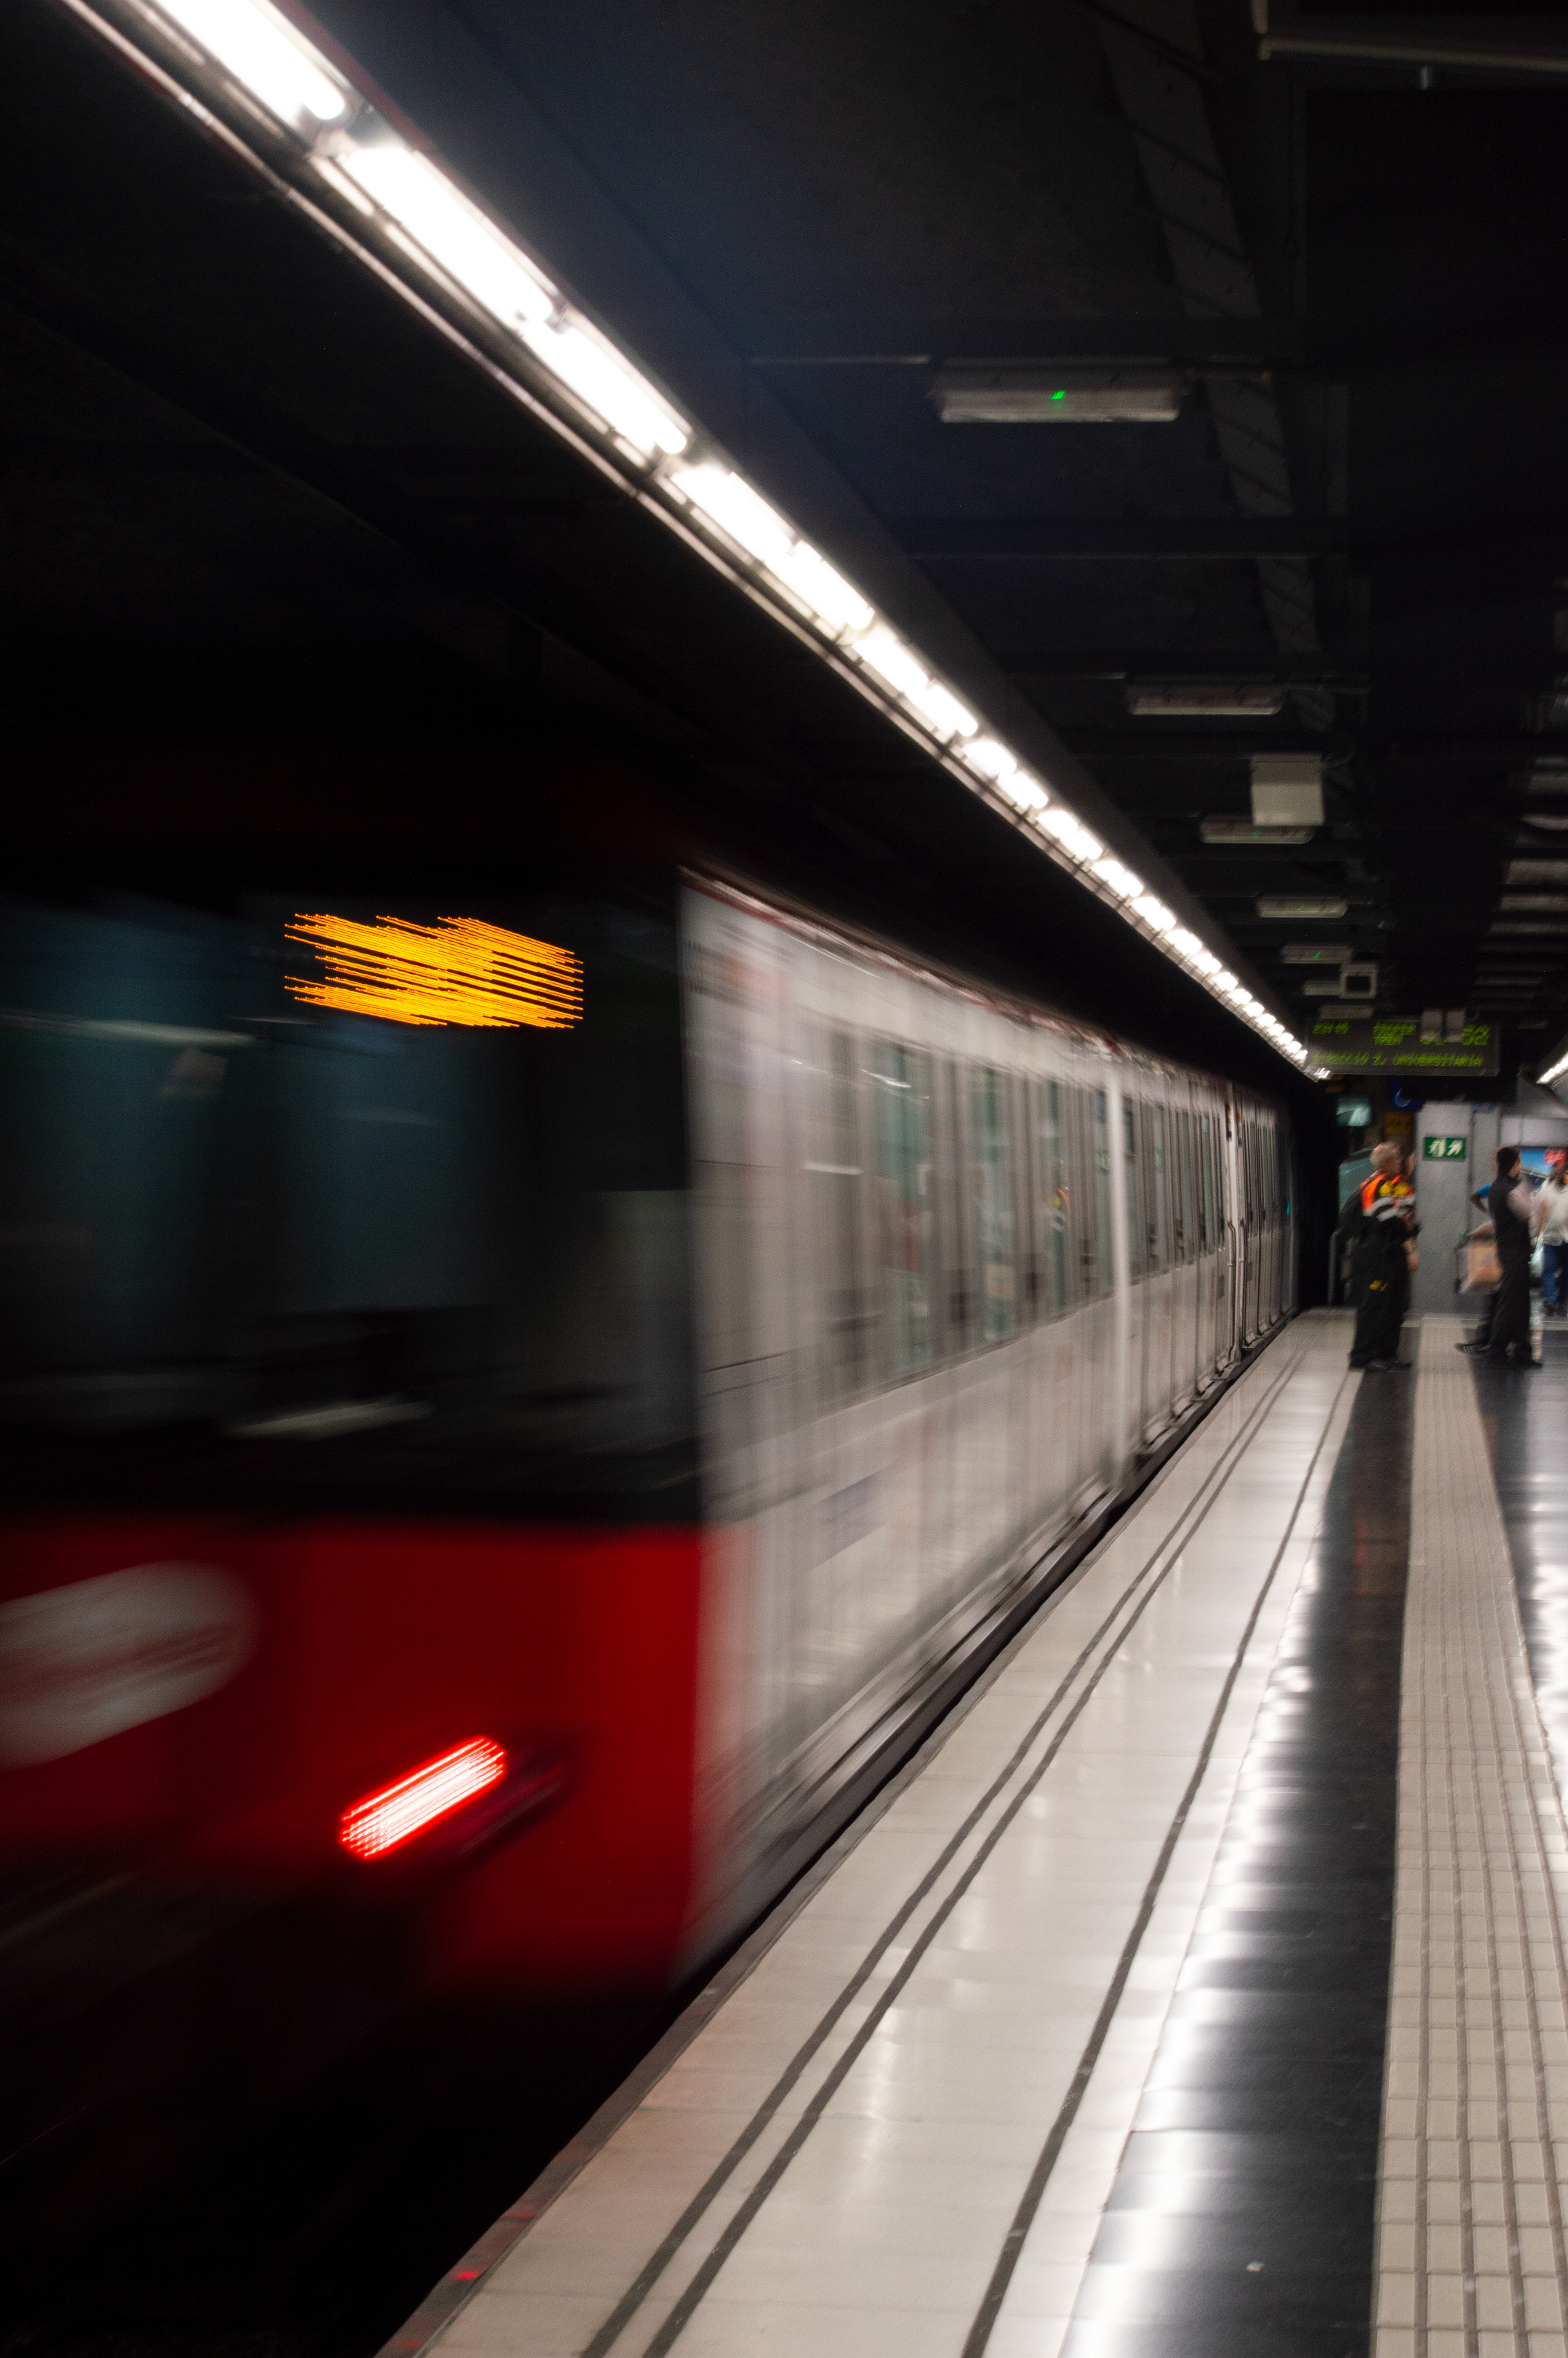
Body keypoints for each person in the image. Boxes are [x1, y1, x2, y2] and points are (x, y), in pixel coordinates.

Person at [1337, 1138, 1419, 1371]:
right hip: (1375, 1254)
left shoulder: (1390, 1184)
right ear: (1390, 1162)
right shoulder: (1379, 1185)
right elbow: (1391, 1220)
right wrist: (1407, 1233)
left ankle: (1385, 1354)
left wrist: (1404, 1225)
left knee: (1388, 1305)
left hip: (1382, 1251)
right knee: (1372, 1305)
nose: (1404, 1162)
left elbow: (1402, 1218)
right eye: (1399, 1158)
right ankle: (1362, 1357)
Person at [1485, 1146, 1537, 1365]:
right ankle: (1497, 1351)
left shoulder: (1496, 1188)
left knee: (1520, 1302)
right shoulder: (1510, 1189)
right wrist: (1533, 1196)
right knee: (1510, 1303)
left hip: (1509, 1250)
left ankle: (1521, 1349)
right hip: (1515, 1252)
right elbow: (1528, 1213)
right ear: (1516, 1165)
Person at [1538, 1169, 1568, 1318]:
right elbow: (1537, 1216)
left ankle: (1562, 1301)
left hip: (1566, 1239)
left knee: (1566, 1272)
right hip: (1550, 1239)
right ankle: (1550, 1300)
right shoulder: (1545, 1193)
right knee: (1549, 1269)